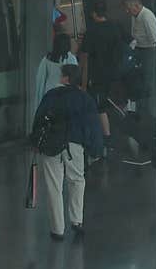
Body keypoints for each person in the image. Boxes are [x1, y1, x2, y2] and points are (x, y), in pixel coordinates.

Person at [31, 64, 103, 240]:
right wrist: (96, 149)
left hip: (51, 146)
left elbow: (39, 120)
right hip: (75, 145)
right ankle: (77, 220)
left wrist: (34, 142)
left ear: (65, 78)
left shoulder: (51, 96)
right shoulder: (84, 99)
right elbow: (93, 125)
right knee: (77, 180)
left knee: (54, 185)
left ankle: (57, 229)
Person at [124, 0, 156, 115]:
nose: (127, 11)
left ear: (137, 5)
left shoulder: (147, 16)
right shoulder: (138, 17)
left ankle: (151, 111)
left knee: (149, 82)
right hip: (140, 50)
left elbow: (155, 38)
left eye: (129, 8)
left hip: (148, 51)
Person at [35, 31, 78, 106]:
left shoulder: (47, 59)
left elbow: (40, 79)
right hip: (66, 94)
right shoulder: (71, 58)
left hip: (49, 93)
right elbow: (75, 78)